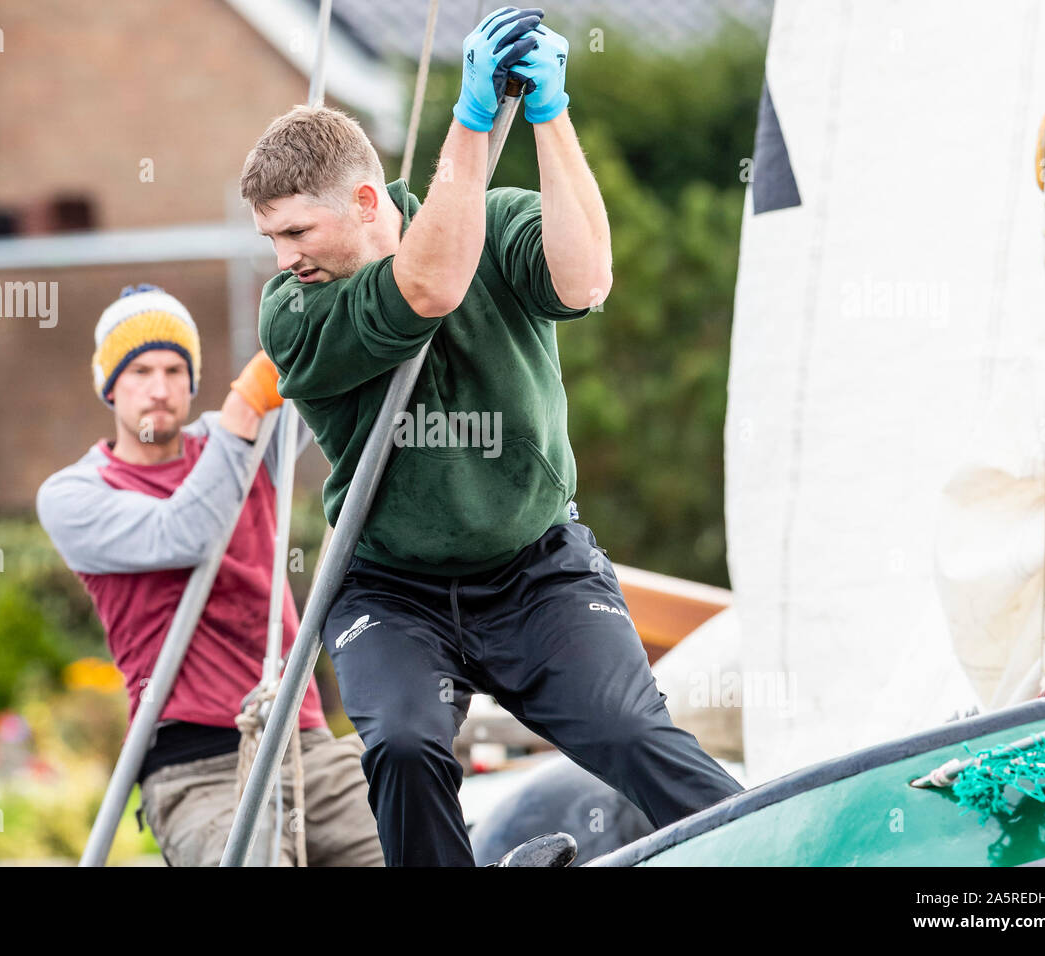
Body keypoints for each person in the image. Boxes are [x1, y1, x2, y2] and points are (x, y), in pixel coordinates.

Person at [238, 8, 745, 866]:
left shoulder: (501, 223)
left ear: (366, 203)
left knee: (632, 733)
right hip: (392, 589)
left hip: (536, 570)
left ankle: (788, 845)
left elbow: (586, 280)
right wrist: (470, 122)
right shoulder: (294, 312)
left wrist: (550, 114)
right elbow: (428, 286)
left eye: (295, 232)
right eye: (270, 238)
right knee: (401, 745)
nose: (284, 256)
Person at [36, 284, 383, 867]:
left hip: (301, 741)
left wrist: (336, 279)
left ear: (193, 380)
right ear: (108, 384)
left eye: (175, 369)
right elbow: (184, 533)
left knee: (409, 842)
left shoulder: (244, 440)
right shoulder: (75, 495)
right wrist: (246, 406)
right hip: (193, 767)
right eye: (140, 369)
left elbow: (331, 376)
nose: (160, 388)